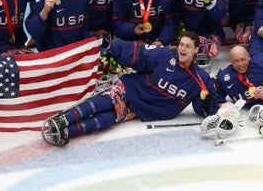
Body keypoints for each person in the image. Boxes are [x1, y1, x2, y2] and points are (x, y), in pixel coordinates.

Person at [46, 31, 218, 144]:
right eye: (181, 44)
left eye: (188, 46)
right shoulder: (165, 55)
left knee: (111, 117)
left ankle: (69, 132)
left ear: (196, 50)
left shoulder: (201, 80)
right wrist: (113, 47)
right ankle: (64, 119)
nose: (182, 48)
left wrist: (208, 103)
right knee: (107, 102)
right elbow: (140, 54)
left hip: (143, 109)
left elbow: (204, 110)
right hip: (131, 89)